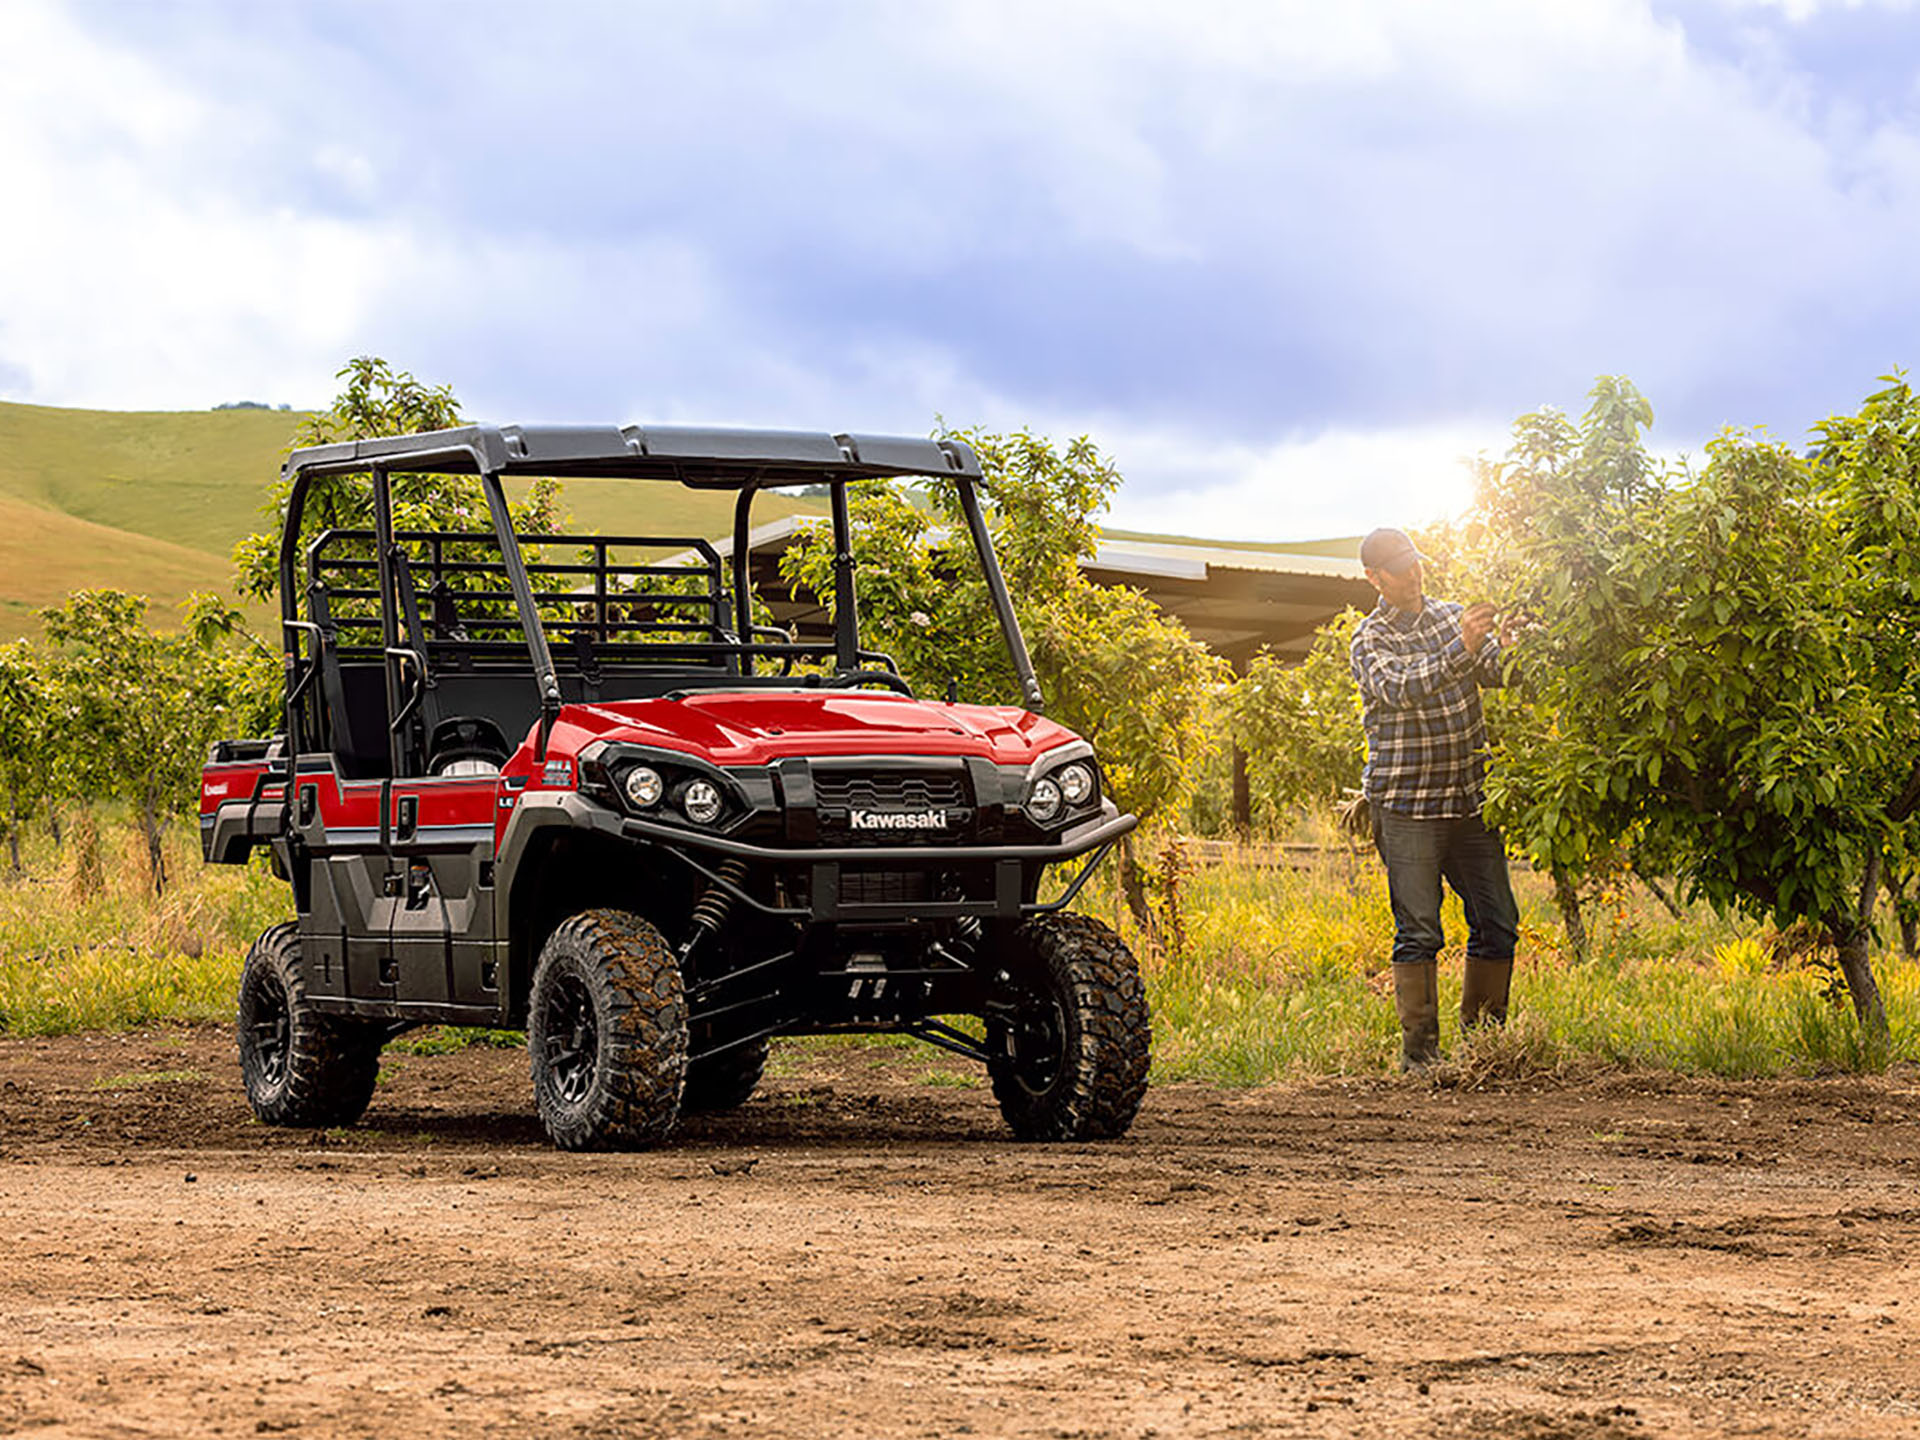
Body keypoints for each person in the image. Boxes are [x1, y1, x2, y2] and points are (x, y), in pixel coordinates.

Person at [1349, 526, 1520, 1070]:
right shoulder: (1369, 640)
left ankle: (1485, 1049)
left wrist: (1512, 650)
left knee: (1497, 922)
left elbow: (1496, 672)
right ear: (1374, 578)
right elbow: (1401, 686)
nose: (1413, 574)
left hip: (1469, 800)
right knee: (1419, 929)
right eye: (1399, 568)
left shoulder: (1451, 616)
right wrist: (1462, 649)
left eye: (1415, 563)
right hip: (1407, 807)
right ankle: (1420, 1057)